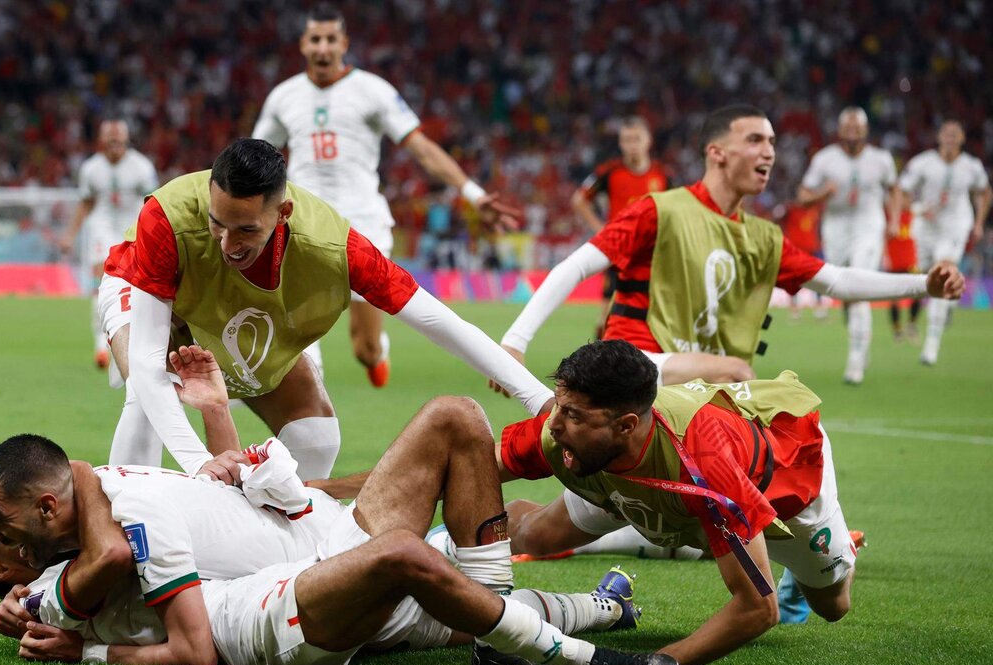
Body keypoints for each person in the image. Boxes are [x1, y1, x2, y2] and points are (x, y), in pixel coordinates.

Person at [0, 411, 676, 665]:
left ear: (50, 503)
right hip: (296, 589)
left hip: (327, 538)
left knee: (457, 419)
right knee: (415, 564)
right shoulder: (88, 540)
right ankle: (574, 652)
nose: (1, 545)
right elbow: (110, 575)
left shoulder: (126, 509)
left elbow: (117, 561)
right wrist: (28, 606)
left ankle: (563, 619)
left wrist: (224, 438)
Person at [100, 138, 552, 483]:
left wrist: (539, 399)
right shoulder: (166, 216)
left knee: (317, 435)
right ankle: (131, 534)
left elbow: (437, 320)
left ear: (284, 213)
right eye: (216, 224)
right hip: (149, 290)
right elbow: (143, 360)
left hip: (232, 309)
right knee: (146, 394)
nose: (226, 243)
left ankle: (261, 532)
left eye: (245, 230)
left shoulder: (336, 247)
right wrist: (202, 464)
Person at [495, 105, 964, 391]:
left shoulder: (761, 237)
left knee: (660, 528)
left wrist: (925, 284)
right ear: (716, 152)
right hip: (638, 366)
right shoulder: (659, 209)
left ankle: (830, 551)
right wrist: (514, 345)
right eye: (755, 140)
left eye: (773, 142)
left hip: (688, 377)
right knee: (735, 375)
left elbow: (837, 281)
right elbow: (575, 266)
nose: (770, 152)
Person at [497, 340, 860, 665]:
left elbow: (758, 608)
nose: (554, 425)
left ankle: (813, 562)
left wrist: (656, 664)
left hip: (784, 482)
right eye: (560, 407)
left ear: (625, 426)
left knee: (832, 606)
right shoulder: (570, 429)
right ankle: (441, 542)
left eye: (573, 415)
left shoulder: (705, 469)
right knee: (536, 534)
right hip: (643, 474)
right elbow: (473, 466)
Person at [252, 3, 519, 388]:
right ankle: (309, 415)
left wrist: (473, 194)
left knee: (364, 347)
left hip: (362, 222)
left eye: (331, 39)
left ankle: (378, 352)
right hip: (301, 219)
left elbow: (422, 148)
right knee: (295, 324)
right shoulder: (283, 97)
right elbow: (255, 155)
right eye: (315, 40)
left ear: (343, 42)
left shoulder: (373, 91)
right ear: (303, 45)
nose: (323, 48)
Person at [797, 107, 902, 384]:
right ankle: (860, 341)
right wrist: (823, 193)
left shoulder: (880, 159)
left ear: (866, 131)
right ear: (840, 130)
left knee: (857, 289)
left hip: (869, 225)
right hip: (836, 228)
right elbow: (803, 195)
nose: (853, 132)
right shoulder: (825, 159)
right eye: (848, 127)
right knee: (844, 293)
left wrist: (894, 220)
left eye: (858, 127)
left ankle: (855, 362)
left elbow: (893, 189)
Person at [60, 119, 158, 372]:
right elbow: (85, 203)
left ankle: (133, 343)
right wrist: (70, 235)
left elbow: (152, 203)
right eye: (110, 142)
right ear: (102, 142)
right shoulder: (91, 169)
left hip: (132, 230)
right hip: (101, 230)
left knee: (137, 288)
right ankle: (101, 347)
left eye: (119, 142)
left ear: (126, 142)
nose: (115, 146)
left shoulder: (141, 167)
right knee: (99, 286)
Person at [896, 119, 992, 365]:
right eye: (946, 134)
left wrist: (979, 223)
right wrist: (917, 208)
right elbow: (901, 191)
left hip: (955, 225)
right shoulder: (923, 163)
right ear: (939, 137)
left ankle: (931, 346)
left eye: (955, 134)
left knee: (943, 271)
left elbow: (985, 192)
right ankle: (947, 306)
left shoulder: (971, 166)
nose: (950, 138)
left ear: (961, 139)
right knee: (929, 276)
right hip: (926, 228)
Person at [571, 117, 669, 339]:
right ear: (620, 143)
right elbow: (579, 199)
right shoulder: (610, 171)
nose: (632, 144)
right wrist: (601, 230)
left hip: (652, 256)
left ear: (648, 141)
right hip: (620, 253)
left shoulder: (662, 175)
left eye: (636, 139)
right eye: (626, 139)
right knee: (607, 314)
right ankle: (599, 360)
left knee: (654, 316)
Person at [885, 209, 922, 342]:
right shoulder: (888, 216)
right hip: (894, 262)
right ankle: (897, 330)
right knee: (894, 299)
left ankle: (911, 324)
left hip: (911, 262)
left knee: (919, 293)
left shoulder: (914, 216)